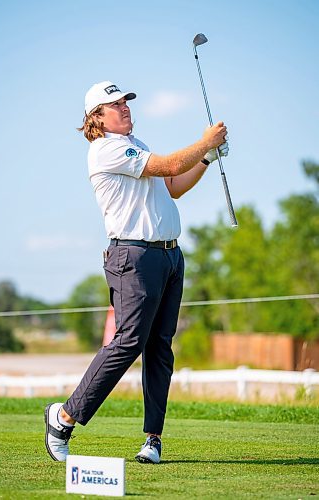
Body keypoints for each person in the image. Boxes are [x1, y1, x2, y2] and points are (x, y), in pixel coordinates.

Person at [44, 80, 228, 464]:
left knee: (160, 349)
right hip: (133, 257)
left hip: (169, 257)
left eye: (126, 101)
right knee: (128, 342)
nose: (125, 107)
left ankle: (152, 440)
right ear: (97, 117)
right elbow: (172, 164)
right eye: (115, 104)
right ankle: (63, 417)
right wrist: (205, 142)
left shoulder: (136, 144)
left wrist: (208, 159)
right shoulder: (106, 149)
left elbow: (175, 185)